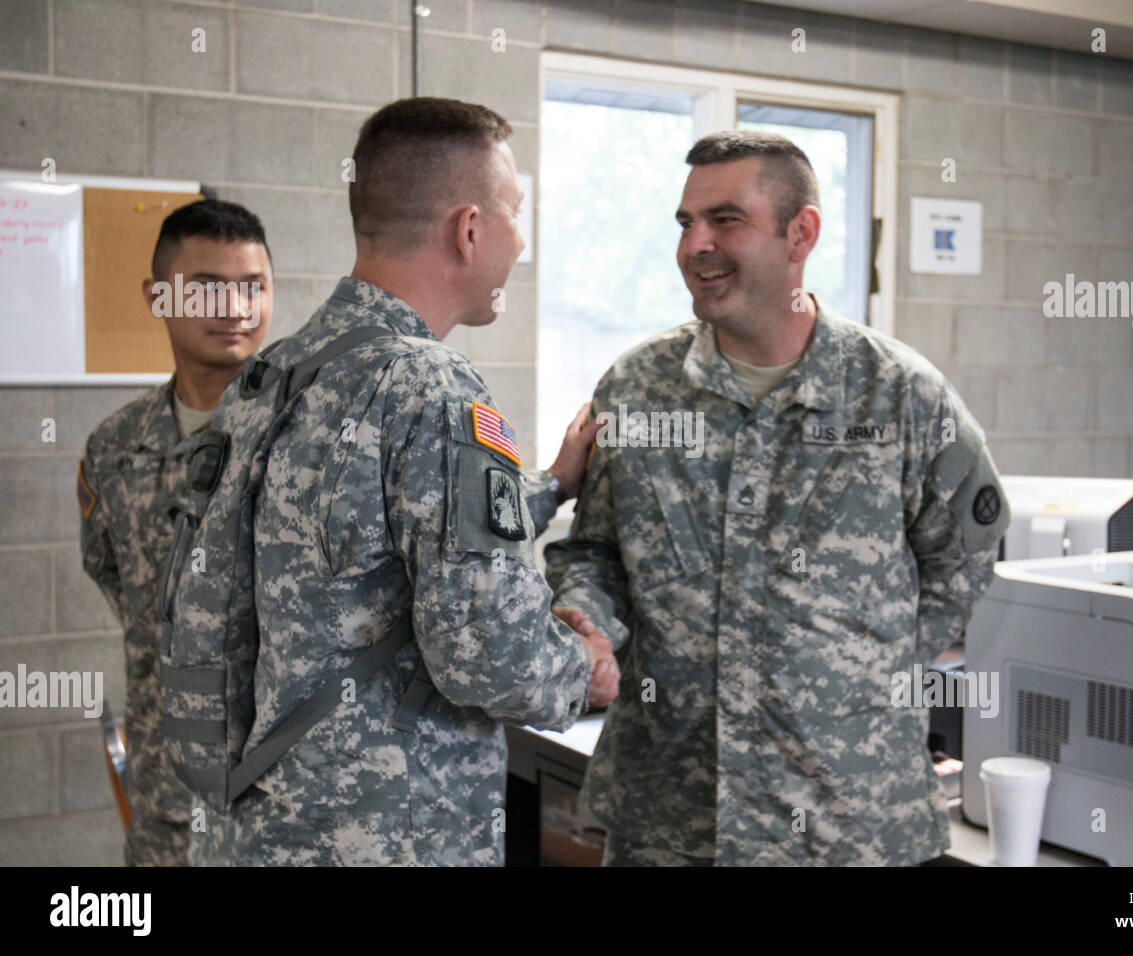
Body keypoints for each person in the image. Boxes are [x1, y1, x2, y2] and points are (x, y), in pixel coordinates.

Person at [544, 130, 1011, 866]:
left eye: (725, 220)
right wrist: (589, 624)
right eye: (684, 223)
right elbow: (595, 550)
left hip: (848, 822)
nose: (696, 244)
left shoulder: (900, 396)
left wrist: (850, 680)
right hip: (673, 818)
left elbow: (965, 561)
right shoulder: (638, 389)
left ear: (803, 233)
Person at [184, 97, 618, 867]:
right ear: (470, 228)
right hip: (385, 836)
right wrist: (584, 669)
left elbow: (351, 545)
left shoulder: (279, 371)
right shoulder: (432, 385)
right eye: (514, 216)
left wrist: (549, 484)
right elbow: (489, 654)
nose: (520, 243)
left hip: (260, 824)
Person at [79, 199, 276, 865]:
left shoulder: (307, 436)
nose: (236, 307)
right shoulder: (114, 447)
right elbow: (117, 579)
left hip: (289, 804)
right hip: (167, 797)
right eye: (208, 288)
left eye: (253, 285)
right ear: (157, 296)